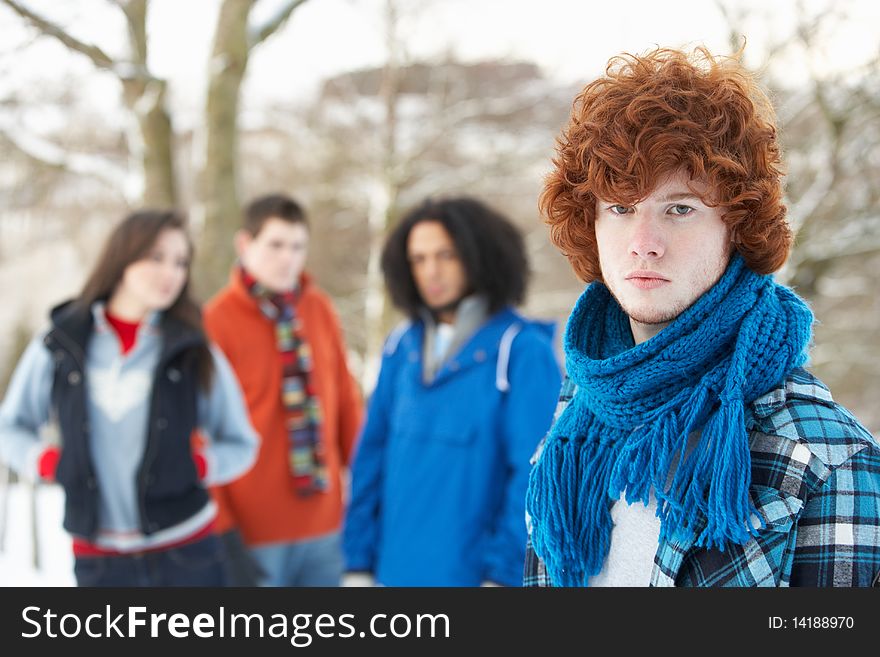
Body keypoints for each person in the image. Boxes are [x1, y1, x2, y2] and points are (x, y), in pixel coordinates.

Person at [524, 46, 880, 587]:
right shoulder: (577, 413)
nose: (643, 244)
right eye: (621, 209)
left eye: (680, 209)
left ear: (736, 225)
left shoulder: (827, 459)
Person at [0, 210, 259, 586]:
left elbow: (242, 442)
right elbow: (10, 426)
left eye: (180, 262)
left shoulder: (192, 348)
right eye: (156, 257)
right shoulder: (61, 343)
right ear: (123, 257)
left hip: (187, 552)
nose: (170, 272)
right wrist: (44, 461)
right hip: (98, 561)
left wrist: (198, 466)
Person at [343, 196, 561, 586]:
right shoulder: (401, 346)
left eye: (446, 255)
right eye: (419, 259)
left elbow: (533, 478)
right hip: (390, 574)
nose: (431, 271)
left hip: (470, 578)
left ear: (479, 255)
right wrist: (356, 563)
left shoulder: (521, 352)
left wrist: (503, 575)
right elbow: (370, 458)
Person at [204, 193, 363, 587]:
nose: (287, 258)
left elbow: (345, 402)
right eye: (275, 245)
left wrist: (364, 492)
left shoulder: (319, 308)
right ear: (245, 245)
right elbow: (199, 432)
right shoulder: (216, 320)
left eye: (297, 246)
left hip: (325, 527)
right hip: (251, 531)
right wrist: (222, 529)